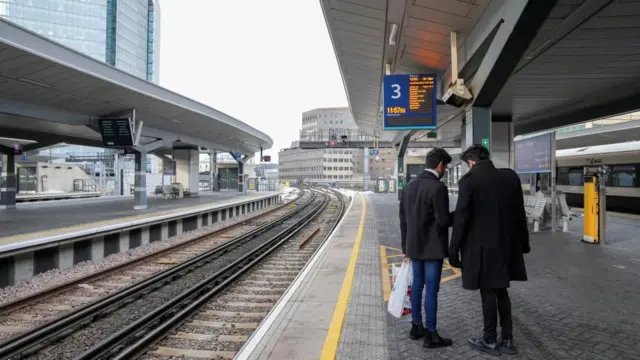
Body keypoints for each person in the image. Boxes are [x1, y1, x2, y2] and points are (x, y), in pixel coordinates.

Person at [449, 144, 530, 356]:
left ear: (471, 162)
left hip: (481, 249)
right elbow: (519, 212)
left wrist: (453, 250)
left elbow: (461, 219)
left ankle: (490, 339)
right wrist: (524, 243)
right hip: (507, 246)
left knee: (487, 292)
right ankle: (508, 339)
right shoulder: (510, 178)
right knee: (502, 290)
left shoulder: (470, 181)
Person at [399, 147, 454, 348]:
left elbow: (402, 220)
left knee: (416, 287)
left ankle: (416, 327)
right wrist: (460, 214)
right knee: (431, 290)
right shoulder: (438, 188)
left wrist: (405, 247)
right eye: (445, 166)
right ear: (440, 165)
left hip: (413, 247)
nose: (445, 170)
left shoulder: (408, 187)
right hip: (432, 248)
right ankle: (431, 334)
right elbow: (443, 220)